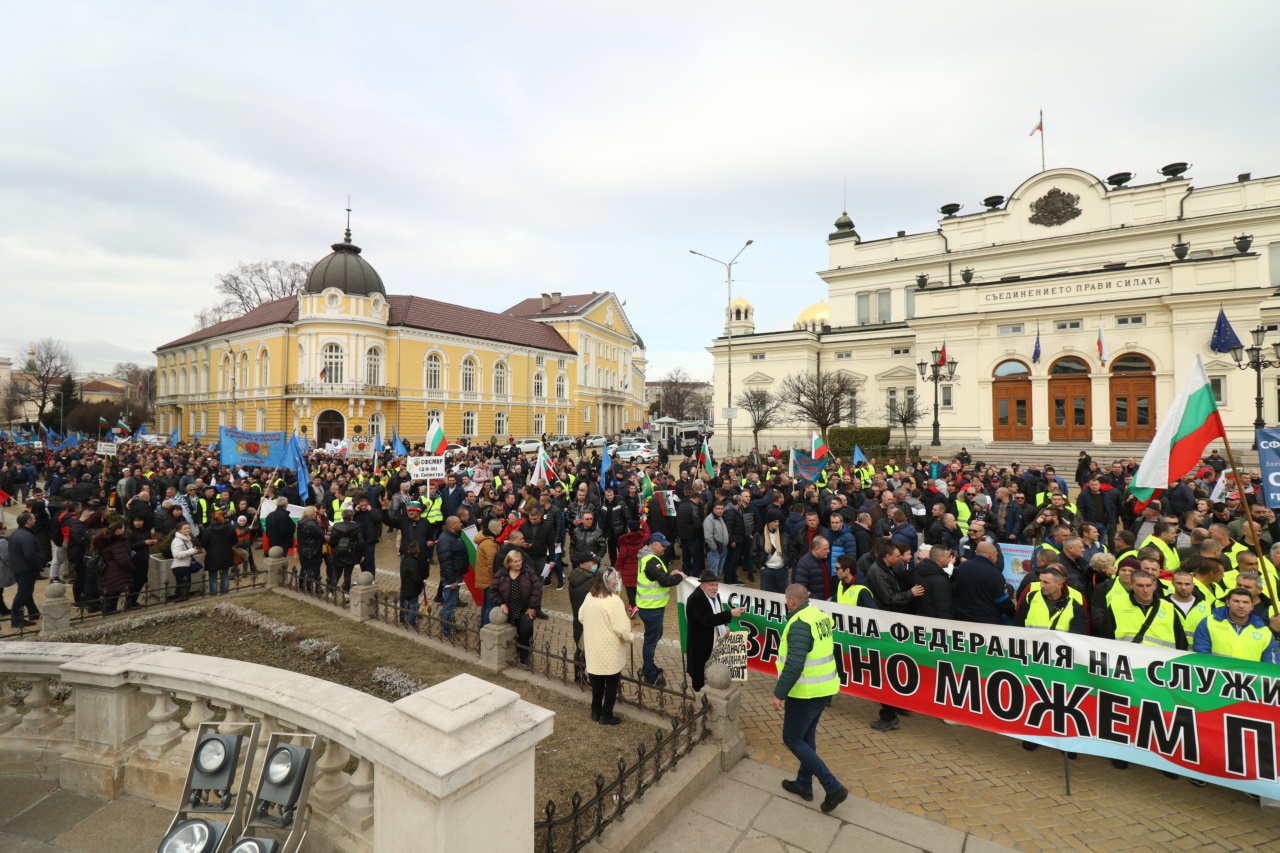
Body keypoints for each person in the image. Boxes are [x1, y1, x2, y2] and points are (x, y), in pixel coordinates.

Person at [773, 583, 848, 814]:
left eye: (787, 599)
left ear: (792, 602)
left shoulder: (799, 625)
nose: (786, 603)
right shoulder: (818, 615)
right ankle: (804, 785)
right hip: (823, 687)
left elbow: (795, 664)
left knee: (793, 739)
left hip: (805, 692)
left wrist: (779, 693)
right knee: (807, 737)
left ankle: (832, 787)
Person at [580, 567, 632, 725]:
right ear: (608, 581)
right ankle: (606, 715)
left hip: (593, 647)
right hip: (610, 649)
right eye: (615, 578)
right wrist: (630, 637)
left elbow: (581, 615)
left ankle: (595, 712)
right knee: (611, 683)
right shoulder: (614, 601)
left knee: (597, 682)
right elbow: (622, 628)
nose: (617, 581)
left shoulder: (590, 596)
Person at [635, 533, 687, 685]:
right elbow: (664, 581)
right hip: (652, 608)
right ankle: (650, 672)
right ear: (654, 544)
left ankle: (648, 666)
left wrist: (671, 573)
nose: (666, 548)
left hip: (650, 607)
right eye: (663, 545)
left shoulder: (648, 558)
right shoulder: (651, 560)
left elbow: (657, 577)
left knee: (654, 637)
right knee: (651, 640)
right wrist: (679, 577)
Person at [684, 568, 745, 691]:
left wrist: (725, 625)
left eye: (716, 584)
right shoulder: (696, 599)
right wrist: (730, 614)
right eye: (711, 585)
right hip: (700, 646)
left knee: (713, 675)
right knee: (699, 679)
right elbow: (709, 619)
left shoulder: (714, 595)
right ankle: (701, 702)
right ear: (702, 585)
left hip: (714, 643)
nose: (715, 588)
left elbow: (718, 612)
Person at [1193, 587, 1280, 663]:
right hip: (1216, 678)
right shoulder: (1208, 622)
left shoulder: (1264, 631)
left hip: (1250, 680)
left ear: (1252, 606)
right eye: (1236, 601)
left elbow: (1271, 664)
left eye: (1246, 602)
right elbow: (1201, 655)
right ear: (1227, 602)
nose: (1241, 606)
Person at [489, 550, 542, 664]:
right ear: (509, 563)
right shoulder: (501, 574)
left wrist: (532, 606)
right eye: (515, 562)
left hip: (524, 610)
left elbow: (536, 590)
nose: (519, 564)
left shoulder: (528, 572)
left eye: (520, 561)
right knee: (512, 634)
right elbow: (492, 591)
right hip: (509, 611)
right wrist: (501, 603)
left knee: (525, 632)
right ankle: (511, 654)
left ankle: (525, 656)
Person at [951, 542, 1014, 625]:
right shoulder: (994, 573)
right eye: (996, 555)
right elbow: (1002, 602)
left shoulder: (962, 567)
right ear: (991, 555)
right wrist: (1013, 613)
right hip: (985, 622)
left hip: (960, 618)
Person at [7, 512, 42, 627]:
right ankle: (16, 619)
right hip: (26, 569)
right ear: (28, 522)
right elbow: (30, 555)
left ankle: (33, 612)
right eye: (33, 518)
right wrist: (38, 565)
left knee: (27, 591)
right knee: (23, 593)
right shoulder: (27, 536)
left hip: (18, 568)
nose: (35, 519)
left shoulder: (15, 533)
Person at [93, 523, 135, 615]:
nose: (124, 530)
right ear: (117, 531)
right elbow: (123, 561)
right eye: (123, 528)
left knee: (108, 598)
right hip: (115, 574)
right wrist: (132, 568)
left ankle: (107, 614)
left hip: (108, 573)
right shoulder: (117, 544)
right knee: (112, 598)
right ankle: (110, 617)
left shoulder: (106, 541)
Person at [436, 516, 468, 638]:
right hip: (452, 578)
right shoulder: (446, 540)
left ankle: (450, 625)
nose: (461, 524)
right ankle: (446, 631)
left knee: (451, 604)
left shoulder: (454, 536)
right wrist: (452, 580)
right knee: (449, 604)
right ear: (452, 526)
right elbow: (446, 562)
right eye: (459, 522)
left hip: (456, 575)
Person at [199, 510, 237, 596]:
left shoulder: (208, 530)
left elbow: (204, 543)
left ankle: (214, 594)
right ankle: (225, 593)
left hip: (212, 556)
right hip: (226, 554)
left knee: (213, 577)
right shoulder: (230, 528)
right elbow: (235, 540)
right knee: (225, 575)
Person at [328, 510, 365, 598]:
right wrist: (363, 554)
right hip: (350, 553)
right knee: (347, 575)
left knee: (336, 574)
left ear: (342, 516)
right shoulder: (357, 527)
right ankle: (346, 593)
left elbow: (332, 541)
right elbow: (361, 541)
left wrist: (335, 546)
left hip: (338, 552)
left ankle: (331, 592)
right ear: (352, 517)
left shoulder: (336, 526)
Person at [754, 509, 791, 594]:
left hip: (782, 570)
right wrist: (760, 566)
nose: (777, 524)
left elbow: (790, 550)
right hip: (767, 570)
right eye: (774, 521)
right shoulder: (759, 535)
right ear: (769, 522)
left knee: (782, 597)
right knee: (765, 596)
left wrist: (788, 564)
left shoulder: (784, 534)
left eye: (778, 521)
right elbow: (754, 552)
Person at [295, 506, 325, 594]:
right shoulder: (311, 524)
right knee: (312, 570)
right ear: (312, 513)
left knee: (304, 567)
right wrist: (319, 523)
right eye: (315, 513)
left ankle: (301, 585)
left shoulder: (301, 522)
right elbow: (319, 533)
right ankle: (309, 587)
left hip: (303, 549)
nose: (316, 514)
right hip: (312, 550)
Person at [169, 521, 200, 602]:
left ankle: (183, 601)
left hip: (185, 565)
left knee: (185, 587)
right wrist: (191, 551)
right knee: (182, 587)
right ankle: (180, 602)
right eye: (185, 528)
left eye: (188, 528)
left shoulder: (186, 538)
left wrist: (193, 550)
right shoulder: (177, 541)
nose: (187, 530)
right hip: (180, 566)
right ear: (179, 530)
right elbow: (176, 554)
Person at [398, 542, 425, 627]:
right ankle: (411, 623)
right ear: (418, 551)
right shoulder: (414, 563)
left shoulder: (404, 559)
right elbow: (416, 577)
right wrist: (421, 584)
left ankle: (402, 615)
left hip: (404, 586)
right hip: (412, 589)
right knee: (413, 606)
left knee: (404, 602)